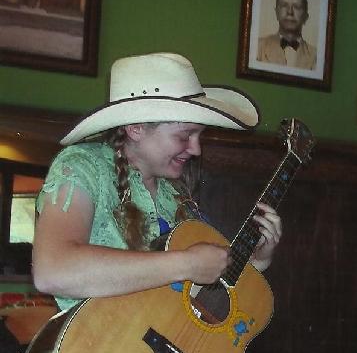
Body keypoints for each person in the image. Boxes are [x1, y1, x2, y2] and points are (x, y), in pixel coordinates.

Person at [32, 52, 283, 313]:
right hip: (89, 350)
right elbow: (53, 270)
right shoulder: (83, 167)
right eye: (185, 135)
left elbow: (201, 293)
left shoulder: (174, 194)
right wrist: (185, 263)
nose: (196, 149)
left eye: (198, 136)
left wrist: (255, 261)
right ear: (137, 128)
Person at [256, 0, 317, 70]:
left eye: (297, 7)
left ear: (305, 17)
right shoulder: (257, 47)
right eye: (284, 5)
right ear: (276, 12)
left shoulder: (316, 56)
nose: (290, 12)